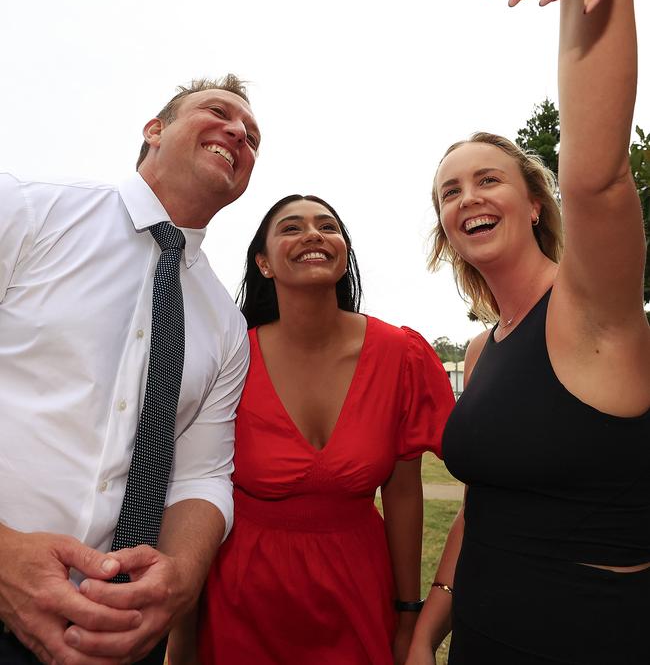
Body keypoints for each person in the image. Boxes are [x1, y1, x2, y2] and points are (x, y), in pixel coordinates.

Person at [405, 0, 650, 664]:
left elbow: (598, 175)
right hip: (480, 636)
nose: (466, 197)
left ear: (535, 202)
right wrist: (428, 625)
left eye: (487, 179)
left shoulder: (594, 309)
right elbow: (483, 503)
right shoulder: (481, 351)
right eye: (449, 191)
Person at [0, 75, 261, 665]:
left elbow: (203, 475)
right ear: (155, 130)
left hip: (124, 635)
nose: (239, 133)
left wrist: (181, 578)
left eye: (253, 137)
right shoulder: (26, 212)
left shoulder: (225, 323)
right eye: (217, 112)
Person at [173, 194, 455, 665]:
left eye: (327, 226)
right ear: (263, 263)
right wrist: (183, 640)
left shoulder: (400, 355)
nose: (312, 234)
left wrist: (408, 615)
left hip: (360, 593)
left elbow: (404, 491)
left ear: (343, 256)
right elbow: (192, 487)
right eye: (291, 227)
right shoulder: (229, 357)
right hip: (243, 601)